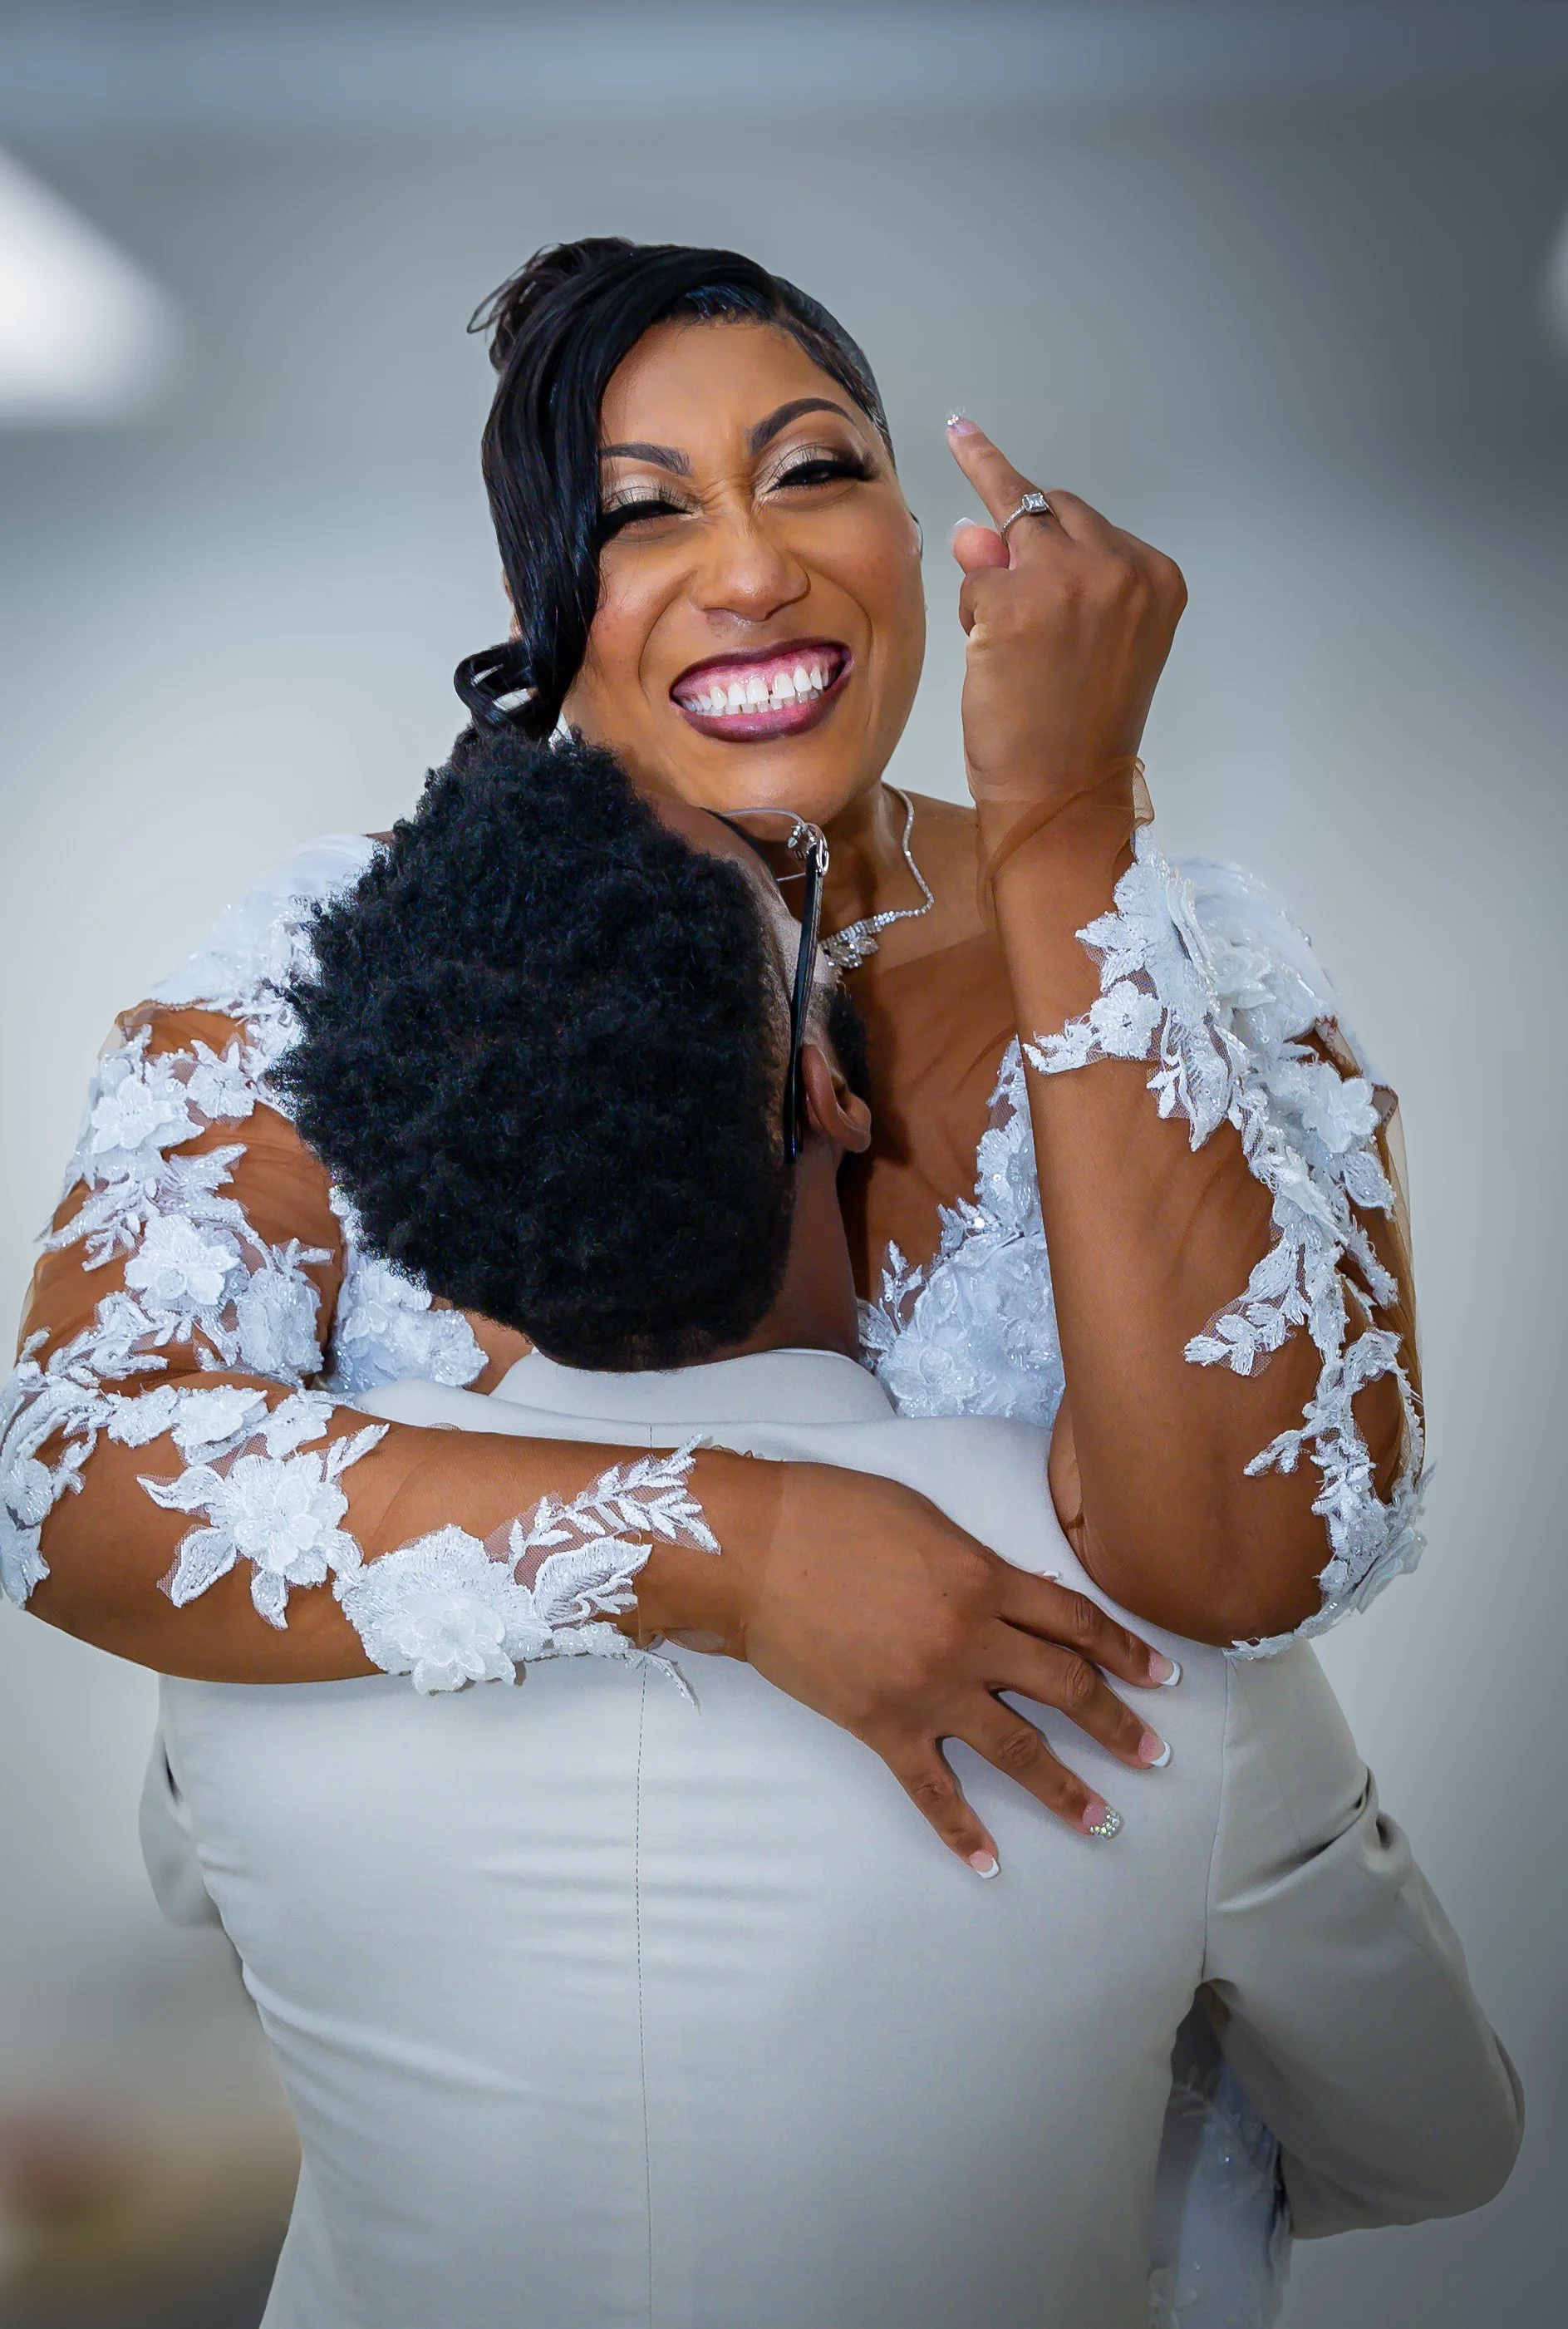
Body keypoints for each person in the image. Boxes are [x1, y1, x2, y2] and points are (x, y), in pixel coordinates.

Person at [2, 238, 1421, 1877]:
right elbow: (81, 1473)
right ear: (540, 594)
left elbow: (1257, 1563)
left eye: (812, 473)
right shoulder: (342, 950)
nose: (750, 572)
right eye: (642, 512)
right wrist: (734, 1546)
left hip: (1093, 2082)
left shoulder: (1196, 953)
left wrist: (1062, 830)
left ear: (907, 535)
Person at [139, 729, 1517, 2329]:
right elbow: (1437, 2144)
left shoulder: (258, 1603)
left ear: (411, 1205)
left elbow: (222, 1924)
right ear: (827, 1086)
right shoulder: (1122, 1621)